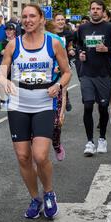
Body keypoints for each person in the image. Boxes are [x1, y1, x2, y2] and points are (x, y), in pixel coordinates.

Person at [0, 4, 71, 219]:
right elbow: (2, 70)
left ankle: (48, 192)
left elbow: (67, 72)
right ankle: (34, 198)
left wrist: (58, 86)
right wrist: (3, 80)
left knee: (39, 155)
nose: (27, 20)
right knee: (23, 156)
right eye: (24, 16)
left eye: (32, 16)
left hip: (43, 104)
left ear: (41, 19)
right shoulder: (14, 45)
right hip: (18, 104)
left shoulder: (54, 44)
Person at [76, 0, 111, 157]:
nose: (95, 11)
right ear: (90, 10)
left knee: (103, 108)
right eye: (92, 8)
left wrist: (107, 49)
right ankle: (90, 142)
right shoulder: (82, 28)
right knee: (88, 106)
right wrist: (80, 54)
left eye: (98, 9)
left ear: (103, 12)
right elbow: (78, 45)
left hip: (103, 74)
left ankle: (102, 138)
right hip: (87, 74)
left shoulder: (109, 28)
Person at [45, 20, 68, 161]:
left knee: (55, 124)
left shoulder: (56, 39)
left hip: (54, 85)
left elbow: (65, 67)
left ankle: (56, 144)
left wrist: (58, 69)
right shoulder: (24, 40)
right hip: (33, 88)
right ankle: (37, 155)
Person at [53, 13, 73, 112]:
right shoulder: (49, 34)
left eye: (62, 19)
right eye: (58, 20)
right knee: (55, 86)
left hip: (64, 63)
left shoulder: (68, 34)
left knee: (63, 87)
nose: (61, 21)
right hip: (53, 65)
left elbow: (69, 46)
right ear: (54, 22)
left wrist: (71, 50)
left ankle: (60, 114)